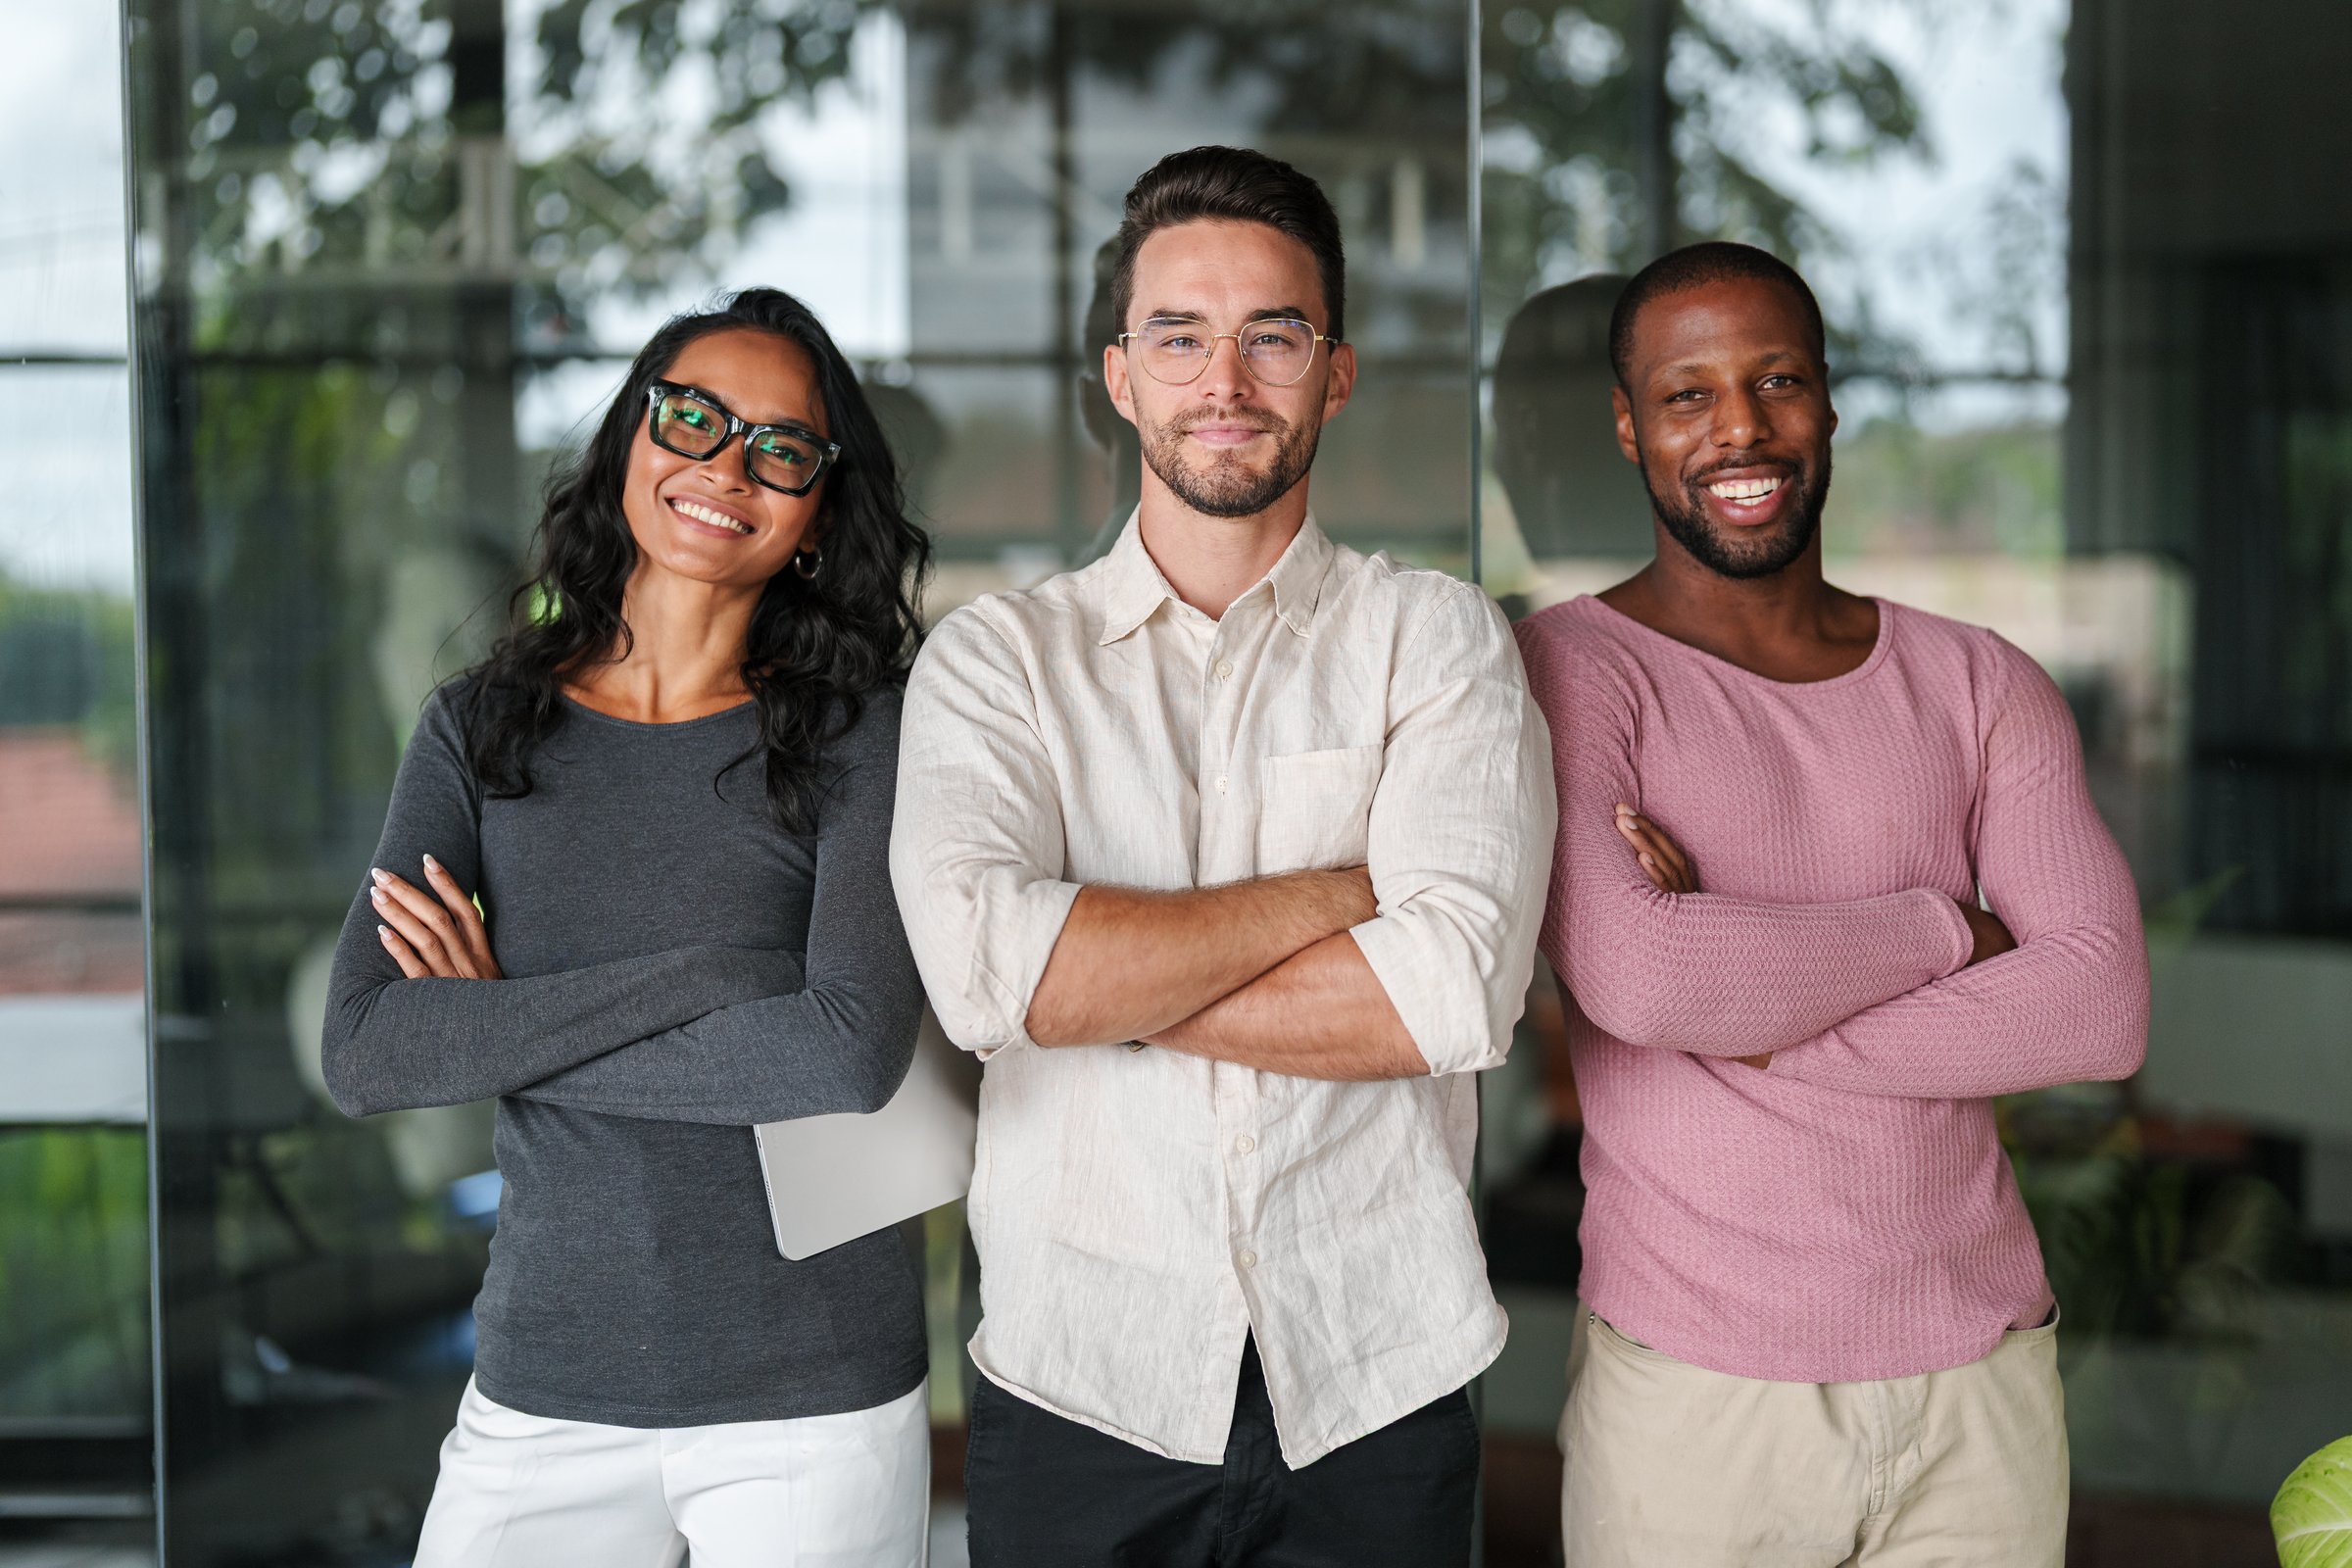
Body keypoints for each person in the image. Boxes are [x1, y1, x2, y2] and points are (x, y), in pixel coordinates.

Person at [889, 145, 1555, 1566]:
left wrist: (1096, 984)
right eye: (1178, 336)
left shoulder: (1433, 642)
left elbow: (1447, 999)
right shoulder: (998, 663)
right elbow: (984, 981)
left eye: (1275, 335)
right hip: (1083, 1377)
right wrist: (1333, 900)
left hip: (1380, 1374)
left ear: (1338, 370)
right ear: (1120, 376)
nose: (1227, 381)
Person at [1513, 241, 2150, 1567]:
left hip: (1980, 1385)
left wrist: (1748, 1010)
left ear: (1828, 405)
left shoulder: (1981, 683)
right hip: (1700, 1397)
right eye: (1687, 394)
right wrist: (1943, 931)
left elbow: (2098, 1006)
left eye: (1778, 381)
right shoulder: (1572, 672)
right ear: (1629, 427)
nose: (1740, 426)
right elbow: (1640, 983)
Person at [319, 287, 935, 1567]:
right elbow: (373, 1051)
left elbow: (841, 1057)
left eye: (778, 450)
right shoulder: (479, 725)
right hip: (543, 1381)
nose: (724, 468)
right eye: (694, 418)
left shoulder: (858, 734)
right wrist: (726, 976)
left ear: (819, 515)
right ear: (629, 443)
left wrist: (499, 1025)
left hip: (811, 1398)